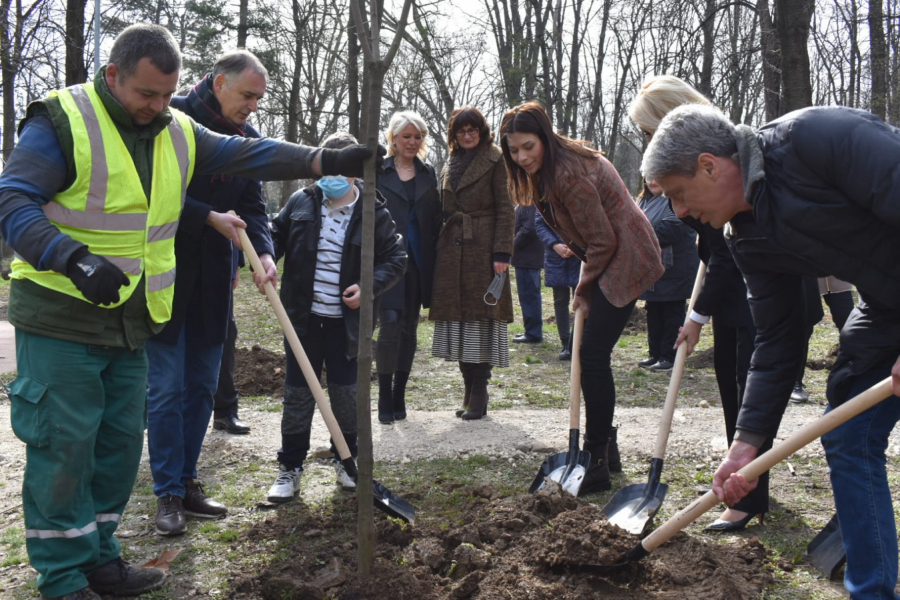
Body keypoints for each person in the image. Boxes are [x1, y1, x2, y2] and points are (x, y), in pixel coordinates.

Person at [0, 24, 376, 600]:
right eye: (146, 94)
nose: (156, 107)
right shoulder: (62, 120)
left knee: (120, 445)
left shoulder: (177, 128)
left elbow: (249, 153)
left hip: (131, 317)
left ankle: (102, 560)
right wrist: (70, 257)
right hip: (63, 315)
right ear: (112, 76)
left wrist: (322, 157)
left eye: (164, 94)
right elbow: (12, 199)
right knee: (64, 445)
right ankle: (61, 577)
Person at [642, 103, 900, 600]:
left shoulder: (818, 138)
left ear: (710, 165)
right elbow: (777, 341)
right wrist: (746, 443)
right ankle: (871, 592)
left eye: (678, 194)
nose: (679, 212)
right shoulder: (746, 235)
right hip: (887, 305)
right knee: (847, 431)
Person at [500, 101, 663, 494]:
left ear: (544, 137)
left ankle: (597, 461)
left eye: (528, 147)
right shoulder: (553, 165)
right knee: (589, 354)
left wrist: (584, 290)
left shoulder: (569, 175)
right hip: (612, 253)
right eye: (514, 150)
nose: (522, 157)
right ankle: (608, 449)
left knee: (590, 354)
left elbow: (603, 241)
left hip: (626, 256)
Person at [145, 49, 275, 537]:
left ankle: (187, 479)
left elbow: (253, 206)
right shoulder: (169, 118)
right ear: (219, 83)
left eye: (258, 99)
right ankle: (167, 494)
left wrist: (262, 253)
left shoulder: (248, 140)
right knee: (166, 387)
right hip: (166, 273)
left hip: (215, 278)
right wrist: (205, 215)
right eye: (247, 96)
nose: (252, 107)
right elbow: (150, 191)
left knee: (201, 383)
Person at [630, 75, 766, 531]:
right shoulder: (682, 177)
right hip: (731, 299)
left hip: (754, 298)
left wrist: (696, 314)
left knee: (750, 394)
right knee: (733, 391)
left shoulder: (713, 173)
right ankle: (747, 486)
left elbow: (725, 255)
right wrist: (701, 315)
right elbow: (713, 253)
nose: (649, 143)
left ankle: (750, 496)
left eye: (650, 132)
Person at [266, 132, 406, 503]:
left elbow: (396, 259)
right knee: (298, 395)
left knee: (346, 396)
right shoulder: (301, 202)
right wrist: (264, 256)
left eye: (343, 169)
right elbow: (273, 236)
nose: (333, 177)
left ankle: (347, 461)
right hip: (303, 320)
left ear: (356, 173)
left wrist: (368, 286)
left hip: (348, 326)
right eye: (330, 167)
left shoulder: (373, 212)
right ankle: (290, 467)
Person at [430, 106, 514, 421]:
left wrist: (502, 253)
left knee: (483, 318)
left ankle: (480, 391)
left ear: (482, 131)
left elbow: (507, 208)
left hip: (484, 251)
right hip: (453, 253)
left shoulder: (496, 159)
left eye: (472, 130)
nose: (467, 135)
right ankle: (468, 390)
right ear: (454, 134)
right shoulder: (449, 163)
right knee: (461, 322)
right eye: (461, 131)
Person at [375, 111, 441, 424]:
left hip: (418, 262)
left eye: (417, 137)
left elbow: (435, 220)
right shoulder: (378, 171)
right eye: (406, 136)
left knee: (409, 328)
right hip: (387, 261)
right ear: (394, 139)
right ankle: (383, 396)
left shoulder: (428, 174)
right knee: (389, 324)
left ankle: (400, 394)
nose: (412, 142)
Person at [636, 179, 699, 373]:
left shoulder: (677, 198)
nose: (652, 181)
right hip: (653, 267)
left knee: (671, 311)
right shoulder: (643, 201)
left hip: (676, 267)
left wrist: (637, 235)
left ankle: (669, 356)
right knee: (653, 310)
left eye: (656, 176)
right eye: (648, 176)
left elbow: (671, 229)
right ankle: (655, 353)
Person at [534, 209, 580, 361]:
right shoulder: (543, 196)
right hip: (555, 256)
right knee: (560, 301)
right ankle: (566, 344)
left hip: (579, 255)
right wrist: (555, 245)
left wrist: (576, 246)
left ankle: (578, 343)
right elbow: (540, 224)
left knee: (580, 300)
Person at [212, 246, 248, 434]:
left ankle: (224, 412)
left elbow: (231, 217)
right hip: (179, 263)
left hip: (218, 262)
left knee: (226, 334)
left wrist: (235, 262)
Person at [511, 203, 544, 344]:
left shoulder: (529, 203)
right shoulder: (526, 202)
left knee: (529, 295)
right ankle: (531, 330)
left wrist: (511, 245)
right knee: (528, 295)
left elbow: (529, 229)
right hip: (526, 257)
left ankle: (533, 333)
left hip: (528, 257)